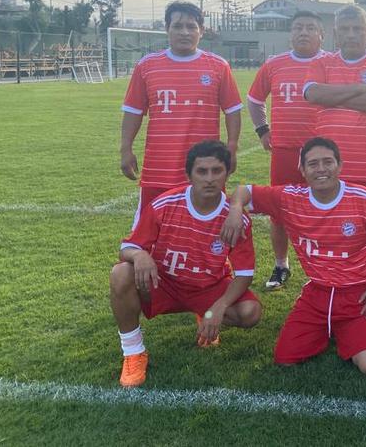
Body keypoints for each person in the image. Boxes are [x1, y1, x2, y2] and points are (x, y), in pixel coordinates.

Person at [221, 137, 366, 374]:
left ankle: (365, 328)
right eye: (313, 164)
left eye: (328, 162)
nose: (321, 169)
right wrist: (235, 209)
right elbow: (243, 191)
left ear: (340, 166)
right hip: (317, 294)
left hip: (361, 294)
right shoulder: (289, 198)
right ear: (302, 169)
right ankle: (335, 329)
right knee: (284, 358)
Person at [109, 140, 261, 388]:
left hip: (206, 288)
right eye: (202, 171)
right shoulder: (165, 204)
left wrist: (218, 307)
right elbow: (126, 248)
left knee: (250, 313)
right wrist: (139, 255)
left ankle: (205, 314)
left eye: (217, 171)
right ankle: (133, 352)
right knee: (120, 273)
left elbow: (244, 274)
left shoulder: (236, 219)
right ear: (189, 175)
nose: (209, 179)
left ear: (227, 173)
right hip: (163, 284)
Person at [120, 1, 242, 228]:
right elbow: (133, 112)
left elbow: (232, 110)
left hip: (205, 168)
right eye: (177, 26)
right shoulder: (147, 66)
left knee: (205, 228)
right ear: (167, 29)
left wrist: (232, 147)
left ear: (201, 31)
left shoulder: (218, 66)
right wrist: (125, 149)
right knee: (150, 230)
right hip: (159, 166)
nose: (185, 32)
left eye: (191, 26)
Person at [247, 10, 325, 291]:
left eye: (310, 27)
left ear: (321, 35)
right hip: (284, 150)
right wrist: (262, 130)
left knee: (324, 210)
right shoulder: (275, 64)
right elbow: (254, 100)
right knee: (279, 211)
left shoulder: (331, 63)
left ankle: (323, 268)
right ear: (290, 34)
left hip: (321, 154)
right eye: (298, 27)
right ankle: (282, 265)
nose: (304, 32)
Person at [303, 5, 366, 205]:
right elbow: (313, 94)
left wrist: (331, 96)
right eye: (345, 29)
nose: (351, 34)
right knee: (330, 222)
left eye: (358, 29)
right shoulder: (321, 63)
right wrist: (360, 88)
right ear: (336, 34)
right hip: (329, 169)